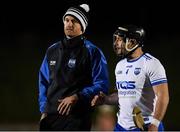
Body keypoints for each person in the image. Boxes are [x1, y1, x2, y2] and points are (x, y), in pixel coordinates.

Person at [38, 3, 109, 131]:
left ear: (82, 26)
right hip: (51, 118)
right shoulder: (52, 50)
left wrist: (77, 96)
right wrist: (44, 110)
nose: (69, 24)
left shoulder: (92, 51)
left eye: (74, 21)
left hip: (77, 118)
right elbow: (43, 82)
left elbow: (102, 84)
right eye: (67, 20)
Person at [91, 25, 169, 131]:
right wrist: (106, 99)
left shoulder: (151, 63)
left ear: (132, 42)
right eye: (115, 39)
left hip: (146, 126)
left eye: (120, 39)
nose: (116, 43)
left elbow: (163, 96)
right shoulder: (120, 65)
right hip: (121, 127)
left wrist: (155, 124)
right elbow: (122, 95)